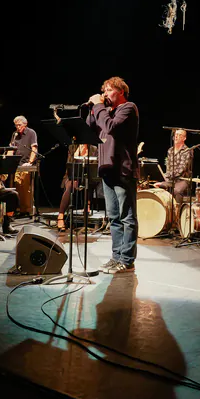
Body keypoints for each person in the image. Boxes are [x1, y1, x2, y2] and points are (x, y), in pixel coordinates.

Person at [86, 77, 139, 274]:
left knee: (127, 217)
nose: (106, 94)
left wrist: (99, 106)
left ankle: (127, 259)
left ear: (121, 91)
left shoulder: (128, 108)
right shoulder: (105, 111)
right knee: (114, 217)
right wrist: (94, 108)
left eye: (109, 90)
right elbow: (90, 127)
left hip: (123, 169)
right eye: (104, 90)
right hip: (107, 168)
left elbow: (109, 127)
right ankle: (116, 256)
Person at [57, 140, 100, 232]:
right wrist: (77, 153)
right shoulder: (72, 147)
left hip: (87, 176)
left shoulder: (94, 148)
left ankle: (87, 205)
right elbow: (69, 164)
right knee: (71, 185)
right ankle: (60, 216)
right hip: (72, 176)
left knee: (89, 182)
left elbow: (94, 166)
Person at [8, 115, 38, 216]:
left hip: (26, 164)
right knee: (18, 188)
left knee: (26, 188)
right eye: (16, 125)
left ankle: (27, 210)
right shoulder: (15, 134)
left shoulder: (31, 133)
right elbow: (11, 149)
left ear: (25, 124)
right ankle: (20, 209)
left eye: (19, 125)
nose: (18, 127)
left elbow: (34, 149)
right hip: (17, 164)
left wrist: (30, 162)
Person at [154, 129, 192, 205]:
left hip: (182, 180)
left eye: (179, 135)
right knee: (156, 186)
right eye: (175, 135)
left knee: (176, 191)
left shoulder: (187, 151)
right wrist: (164, 180)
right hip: (171, 179)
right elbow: (169, 167)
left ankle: (177, 213)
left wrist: (167, 179)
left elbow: (182, 169)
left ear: (184, 138)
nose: (176, 137)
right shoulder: (170, 150)